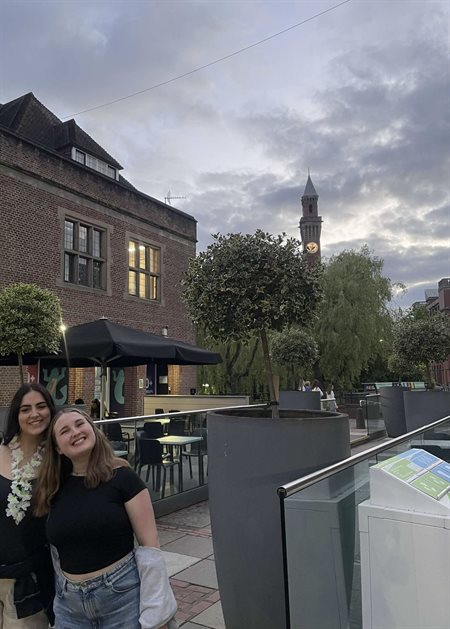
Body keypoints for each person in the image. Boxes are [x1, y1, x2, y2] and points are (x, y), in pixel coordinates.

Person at [35, 408, 177, 629]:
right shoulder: (54, 488)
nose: (75, 432)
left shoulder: (123, 478)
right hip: (69, 605)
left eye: (80, 424)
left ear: (92, 429)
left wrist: (156, 614)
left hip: (121, 597)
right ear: (57, 448)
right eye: (64, 431)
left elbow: (151, 548)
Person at [0, 383, 55, 628]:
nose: (34, 414)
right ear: (16, 415)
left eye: (41, 406)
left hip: (29, 582)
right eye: (26, 409)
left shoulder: (58, 460)